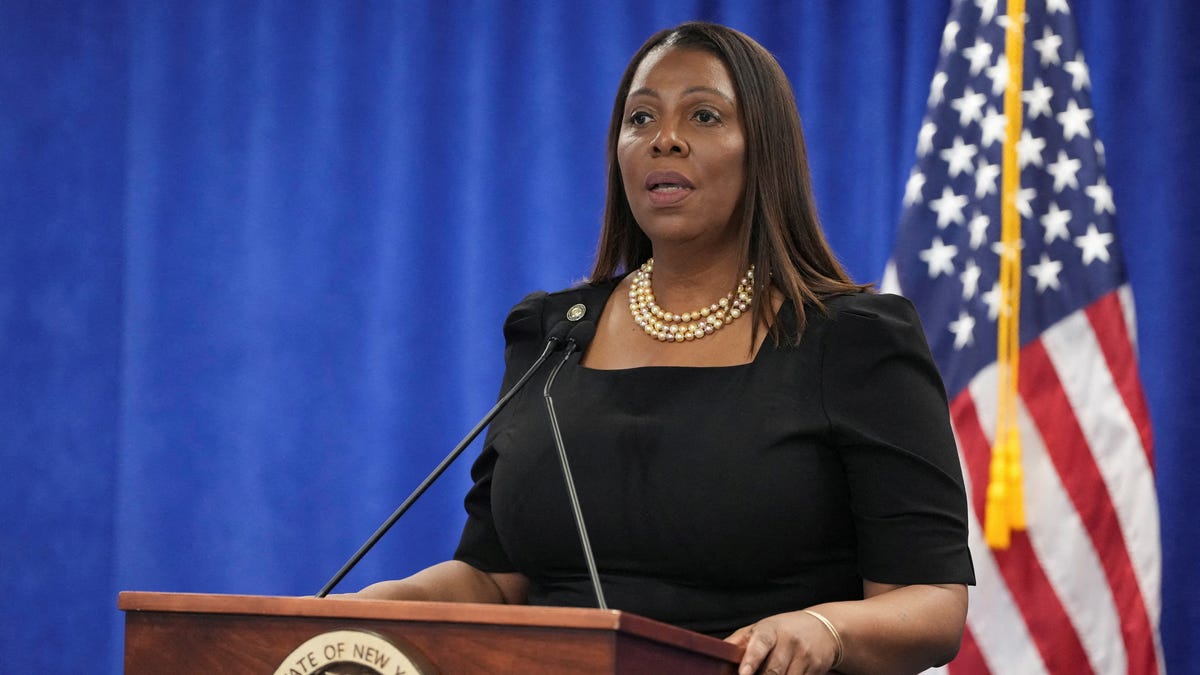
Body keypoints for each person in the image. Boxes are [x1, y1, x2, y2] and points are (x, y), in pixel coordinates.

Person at [346, 22, 974, 675]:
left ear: (765, 150)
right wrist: (364, 612)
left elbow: (931, 604)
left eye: (703, 115)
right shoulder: (550, 333)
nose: (664, 138)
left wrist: (824, 627)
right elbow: (494, 577)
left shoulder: (853, 339)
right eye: (640, 117)